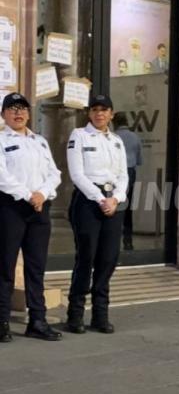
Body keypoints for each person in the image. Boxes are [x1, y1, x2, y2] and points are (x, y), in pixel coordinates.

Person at [0, 92, 62, 342]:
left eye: (23, 108)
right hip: (11, 208)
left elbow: (54, 173)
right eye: (12, 108)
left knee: (36, 268)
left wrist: (42, 194)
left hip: (39, 208)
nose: (18, 113)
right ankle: (2, 321)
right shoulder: (2, 140)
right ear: (4, 114)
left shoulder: (40, 141)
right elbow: (2, 176)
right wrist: (29, 195)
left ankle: (37, 320)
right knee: (4, 267)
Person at [66, 94, 128, 334]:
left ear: (111, 114)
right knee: (86, 257)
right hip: (88, 202)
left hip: (113, 202)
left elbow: (123, 175)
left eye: (104, 110)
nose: (99, 114)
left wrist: (116, 198)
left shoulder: (116, 141)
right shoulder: (79, 136)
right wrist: (101, 199)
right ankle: (76, 314)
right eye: (95, 109)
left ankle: (100, 314)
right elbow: (77, 174)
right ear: (89, 113)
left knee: (108, 259)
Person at [112, 112, 143, 251]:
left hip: (115, 174)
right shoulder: (135, 137)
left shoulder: (112, 137)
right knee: (128, 206)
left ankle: (112, 238)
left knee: (114, 205)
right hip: (130, 172)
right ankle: (128, 240)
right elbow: (139, 160)